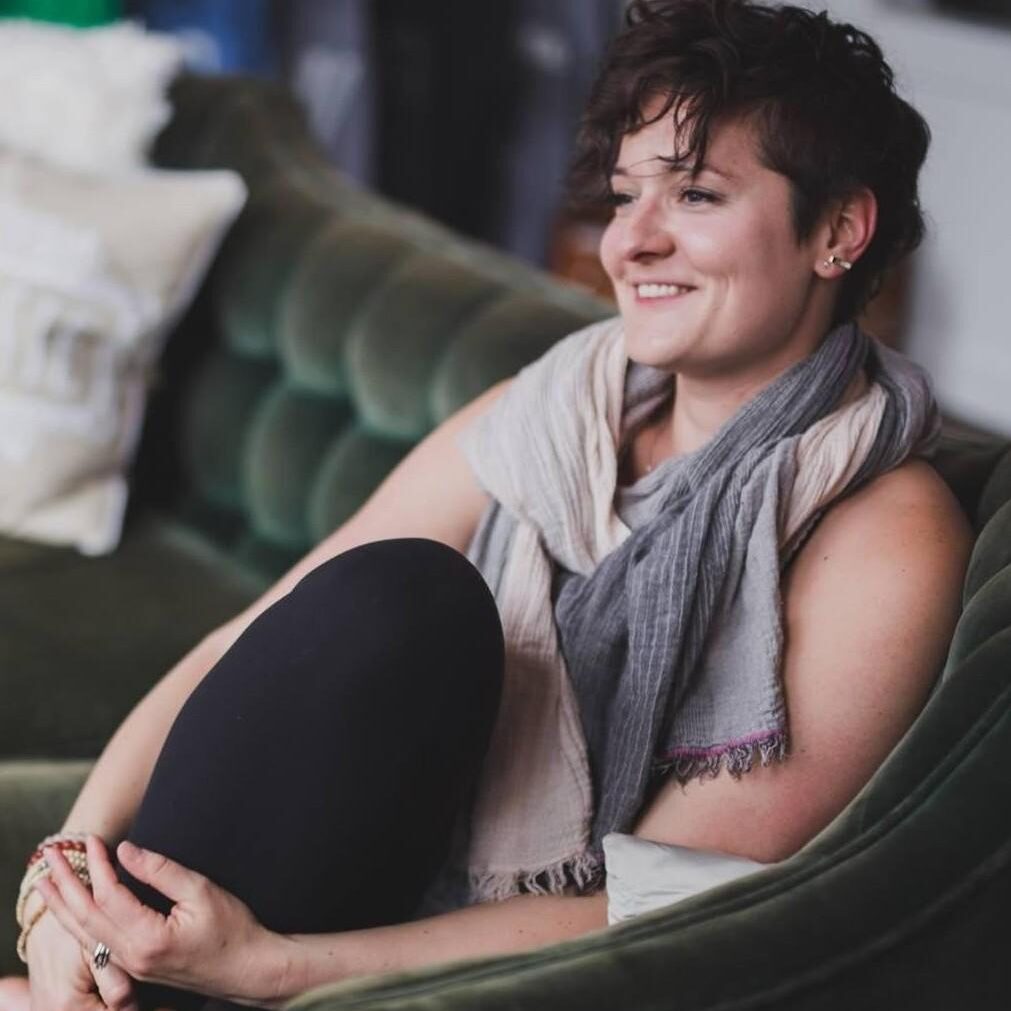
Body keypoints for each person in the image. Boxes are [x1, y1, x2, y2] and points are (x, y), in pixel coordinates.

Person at [1, 1, 973, 1009]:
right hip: (326, 876)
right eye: (624, 194)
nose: (629, 242)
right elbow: (256, 639)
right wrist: (61, 886)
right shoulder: (551, 411)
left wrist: (270, 965)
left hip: (477, 973)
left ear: (839, 231)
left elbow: (660, 904)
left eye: (695, 195)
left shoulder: (882, 532)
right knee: (391, 597)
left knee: (409, 595)